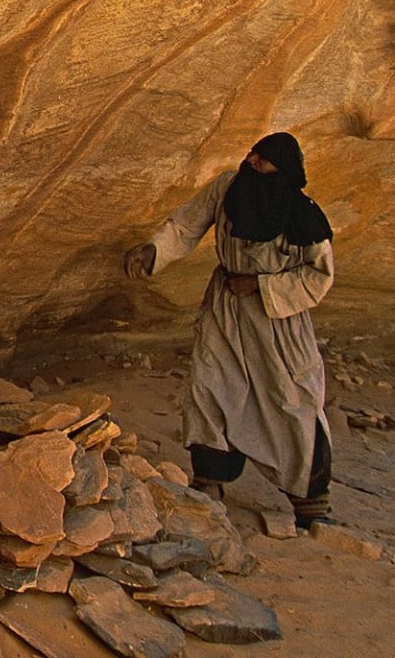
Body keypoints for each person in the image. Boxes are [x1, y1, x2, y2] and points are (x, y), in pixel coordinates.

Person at [123, 132, 336, 527]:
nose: (252, 160)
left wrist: (261, 285)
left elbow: (320, 276)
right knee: (211, 384)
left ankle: (309, 498)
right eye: (253, 153)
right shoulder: (228, 187)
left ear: (283, 170)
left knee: (291, 398)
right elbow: (187, 224)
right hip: (225, 306)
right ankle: (210, 478)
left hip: (278, 321)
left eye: (264, 160)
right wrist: (154, 250)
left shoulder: (303, 214)